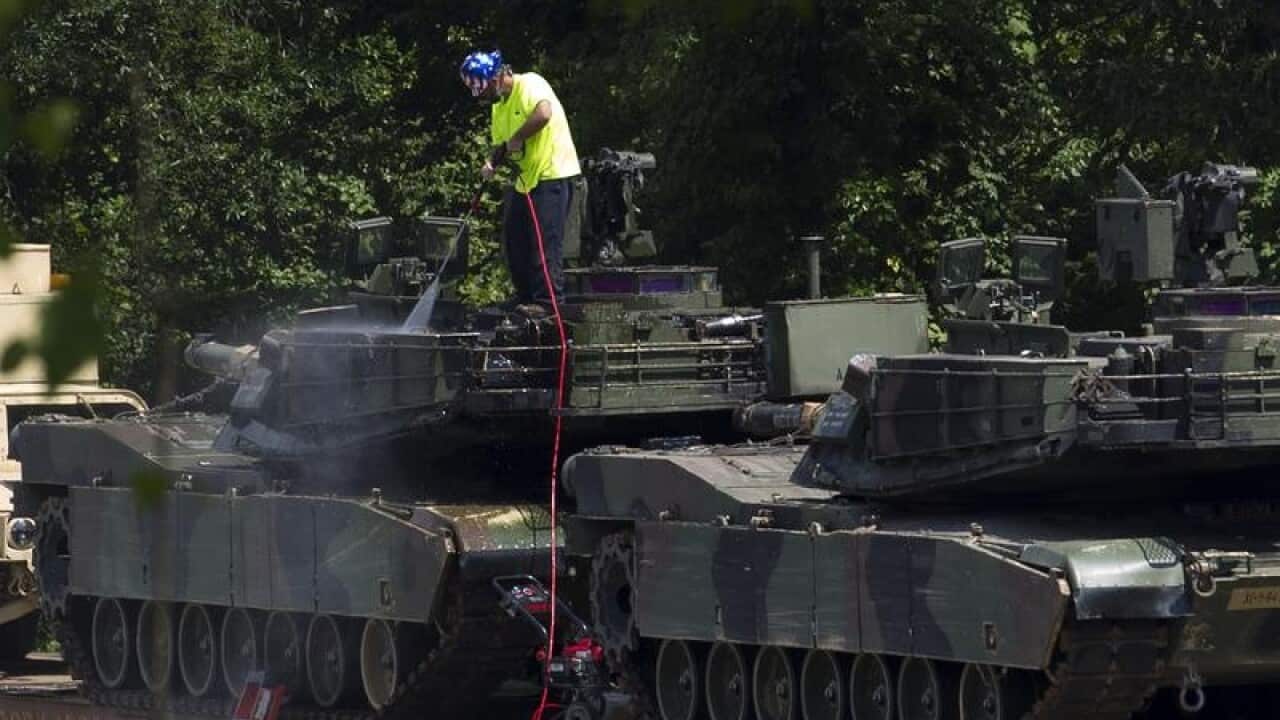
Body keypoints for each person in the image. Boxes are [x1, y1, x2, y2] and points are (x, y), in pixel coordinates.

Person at [459, 50, 581, 316]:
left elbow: (544, 113)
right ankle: (525, 296)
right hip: (525, 180)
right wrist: (492, 163)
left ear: (495, 78)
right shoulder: (498, 107)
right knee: (514, 239)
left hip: (552, 174)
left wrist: (520, 136)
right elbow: (503, 144)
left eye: (482, 90)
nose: (482, 98)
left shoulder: (530, 84)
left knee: (544, 243)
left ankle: (548, 303)